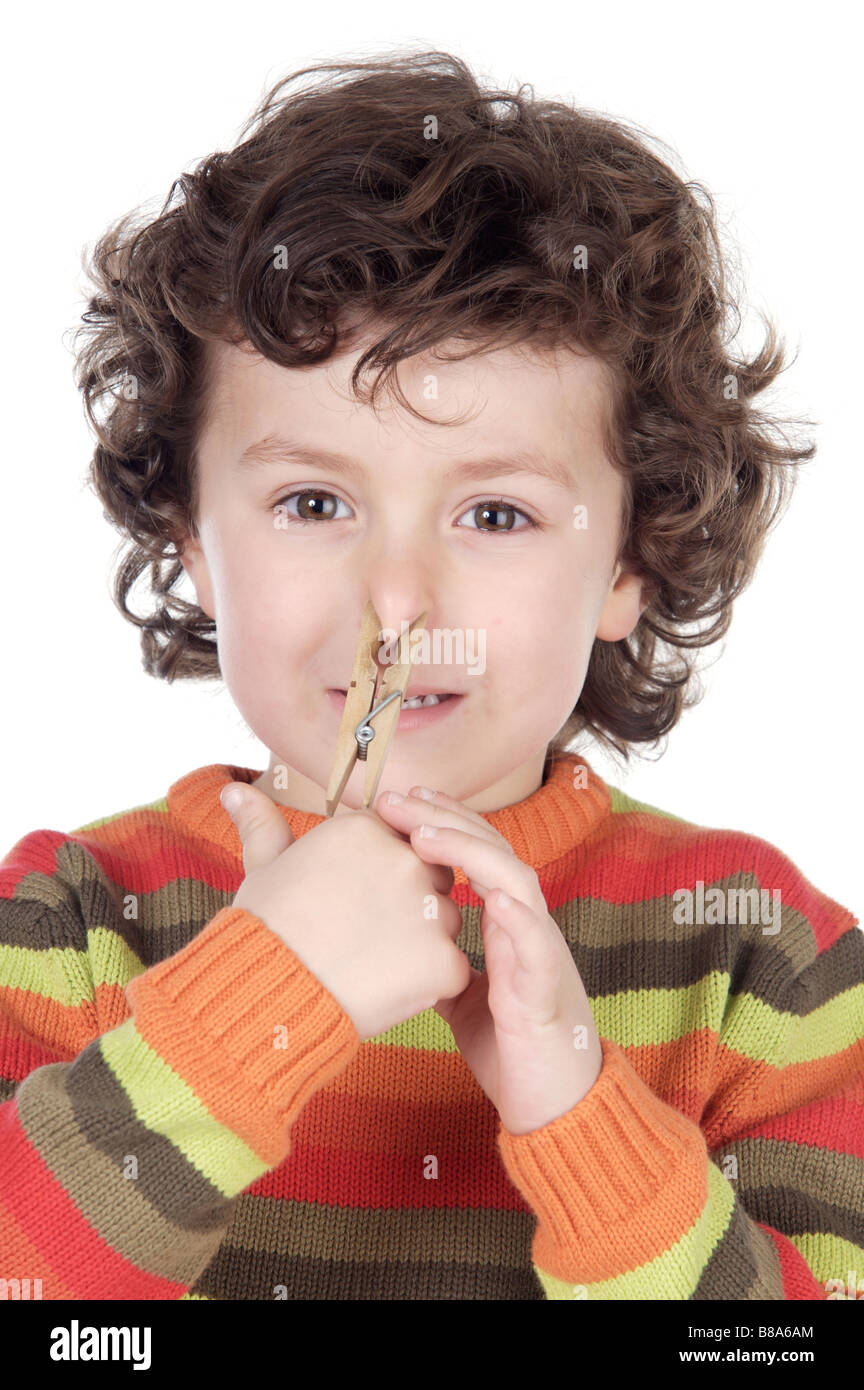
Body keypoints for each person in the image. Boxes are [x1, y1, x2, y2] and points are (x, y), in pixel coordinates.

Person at [1, 49, 861, 1302]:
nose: (398, 603)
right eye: (311, 500)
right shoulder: (64, 931)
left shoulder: (768, 967)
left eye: (498, 516)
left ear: (631, 558)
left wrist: (581, 1115)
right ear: (190, 540)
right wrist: (249, 1012)